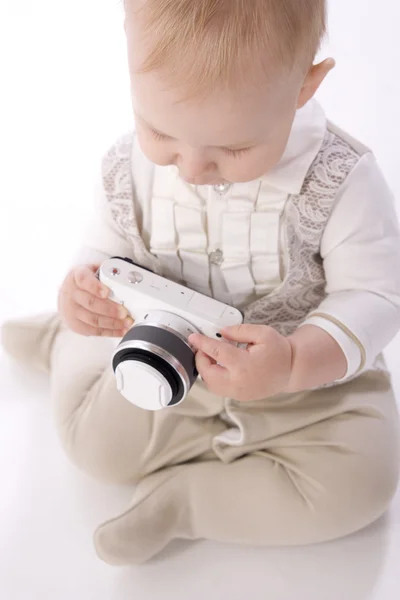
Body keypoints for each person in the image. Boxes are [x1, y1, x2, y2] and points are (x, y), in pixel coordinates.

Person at [2, 0, 400, 566]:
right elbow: (104, 246)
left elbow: (376, 295)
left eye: (234, 148)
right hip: (161, 355)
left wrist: (293, 363)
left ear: (304, 86)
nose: (188, 168)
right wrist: (83, 290)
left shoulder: (342, 182)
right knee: (94, 448)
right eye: (159, 130)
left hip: (305, 391)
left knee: (364, 483)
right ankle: (63, 342)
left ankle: (184, 504)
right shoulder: (130, 167)